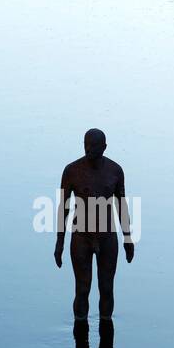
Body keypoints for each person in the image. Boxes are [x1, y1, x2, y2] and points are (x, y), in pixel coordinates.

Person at [53, 128, 134, 321]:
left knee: (107, 288)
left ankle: (106, 331)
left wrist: (128, 238)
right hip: (81, 237)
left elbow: (121, 206)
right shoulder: (72, 171)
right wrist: (59, 242)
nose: (88, 150)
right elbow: (63, 208)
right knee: (82, 288)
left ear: (104, 148)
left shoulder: (115, 171)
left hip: (107, 238)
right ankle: (80, 335)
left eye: (93, 147)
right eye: (85, 146)